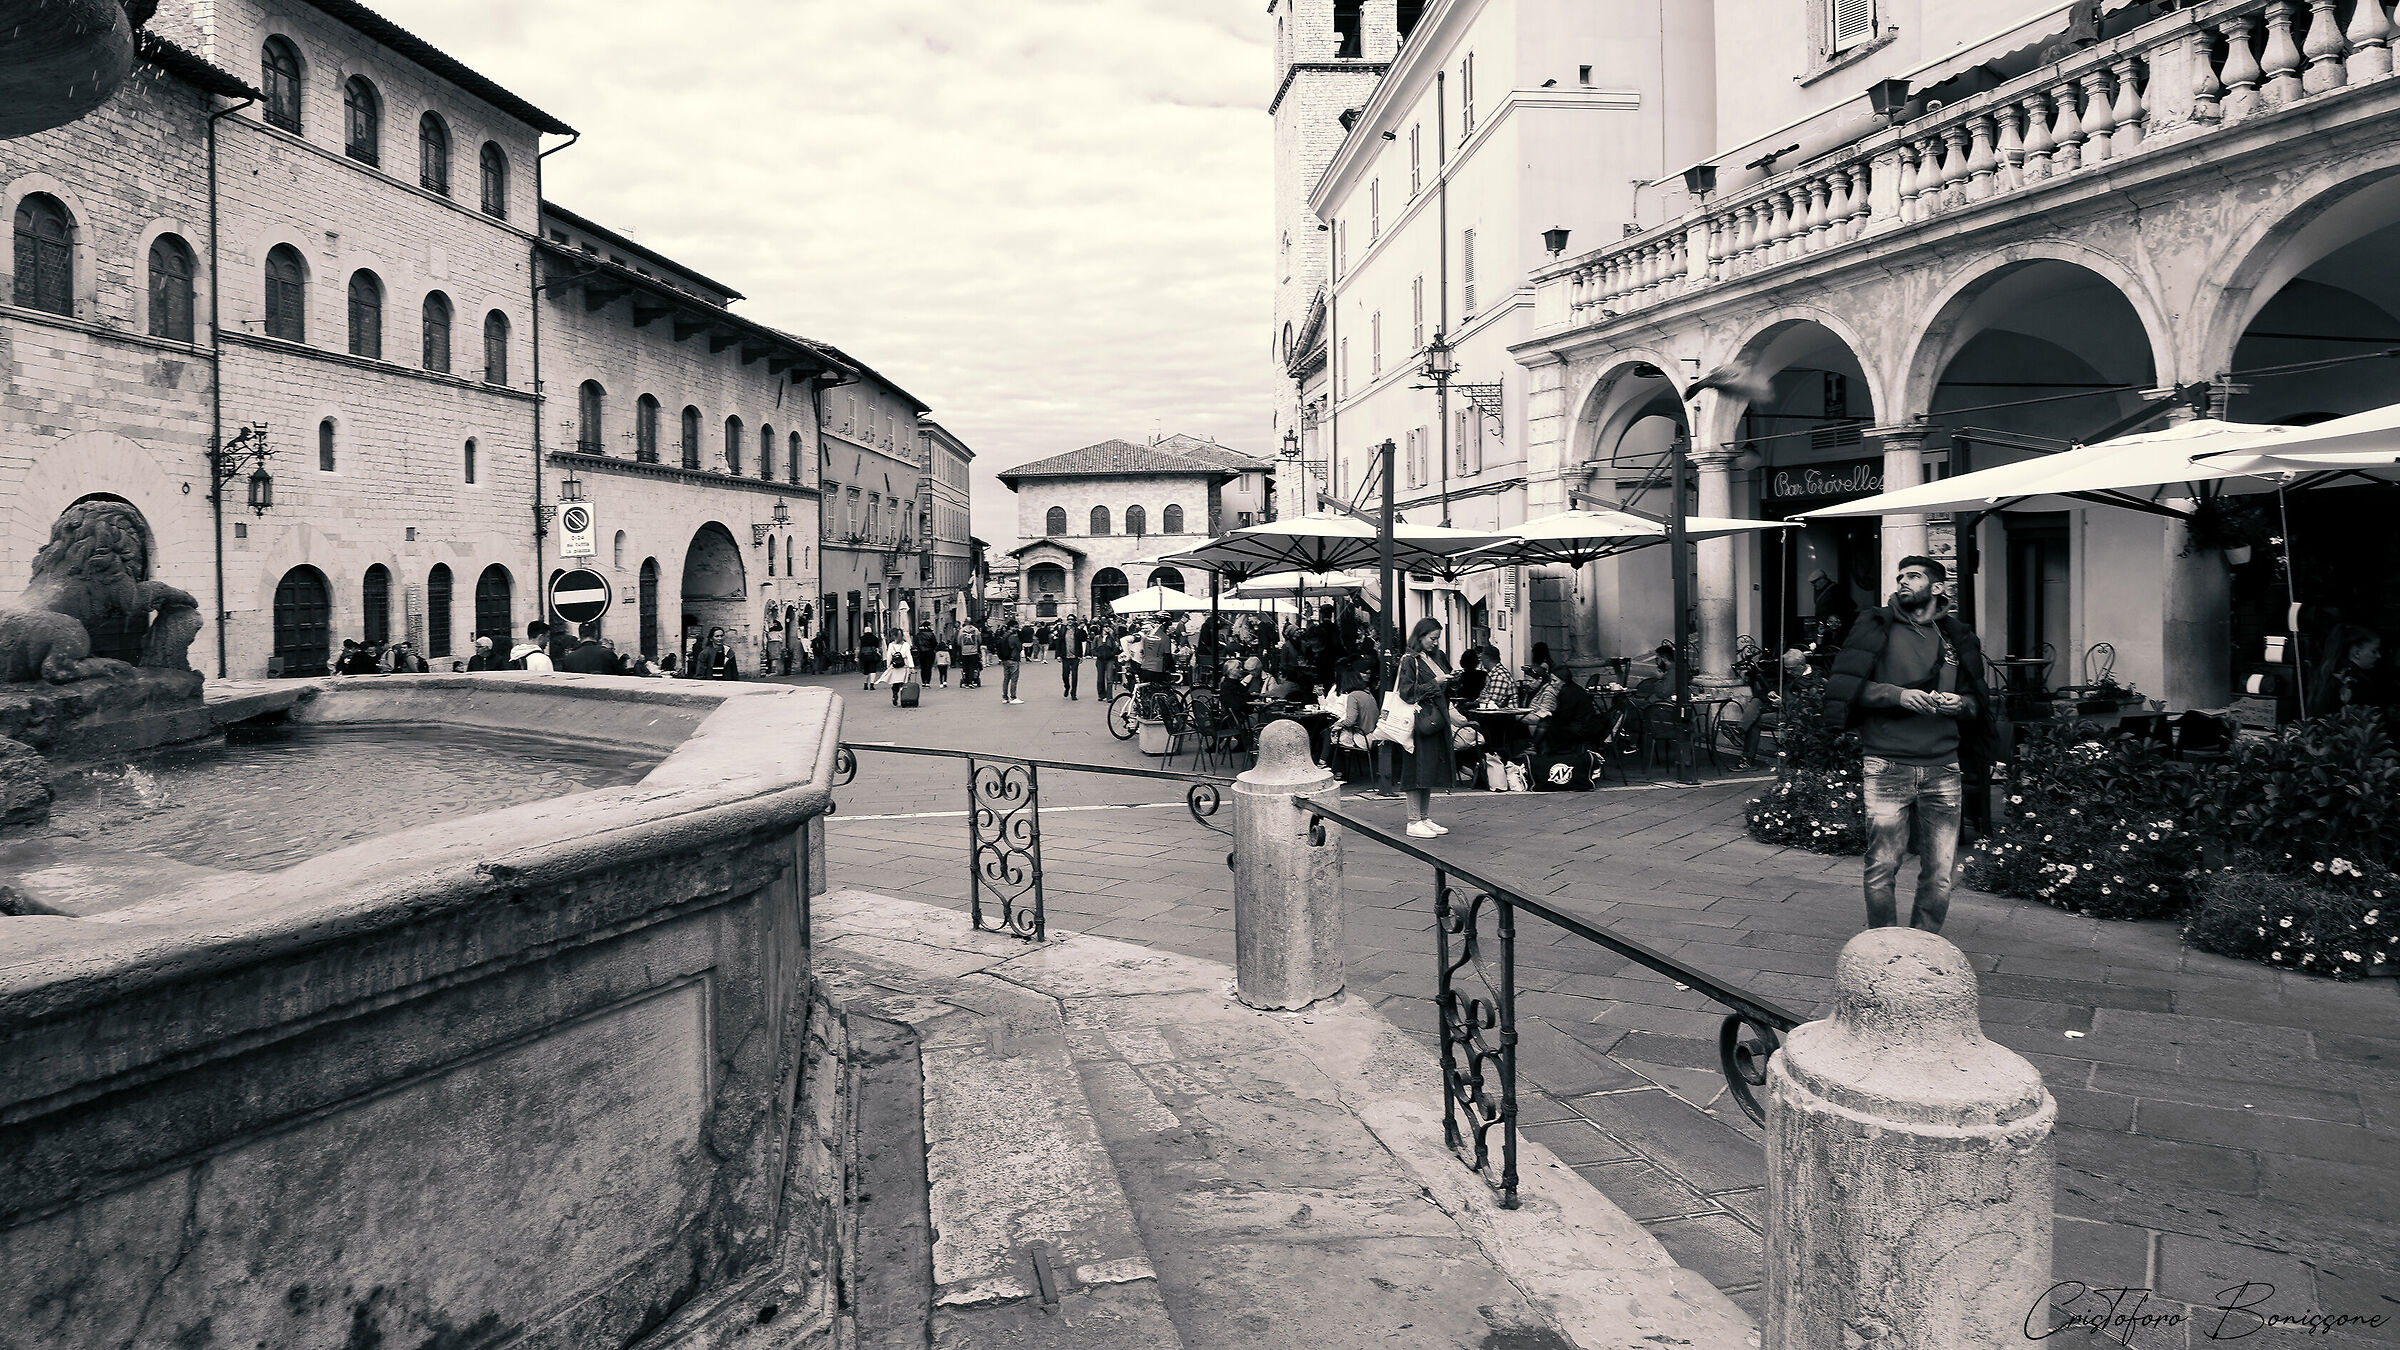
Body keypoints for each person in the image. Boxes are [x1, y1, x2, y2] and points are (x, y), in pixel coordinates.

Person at [1823, 555, 1993, 935]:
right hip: (1886, 764)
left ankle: (1922, 944)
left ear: (1938, 587)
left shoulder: (1956, 636)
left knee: (1940, 873)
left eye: (1913, 576)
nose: (1902, 581)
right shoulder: (1875, 625)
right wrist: (1896, 695)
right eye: (1900, 576)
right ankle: (1884, 946)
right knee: (1882, 866)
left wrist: (1960, 704)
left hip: (1943, 766)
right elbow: (1845, 688)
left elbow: (1976, 701)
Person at [1397, 616, 1457, 837]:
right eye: (1432, 638)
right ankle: (1413, 820)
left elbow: (1442, 682)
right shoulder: (1409, 660)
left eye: (1438, 638)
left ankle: (1423, 817)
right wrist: (1435, 683)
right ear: (1420, 636)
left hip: (1433, 720)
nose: (1435, 642)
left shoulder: (1436, 657)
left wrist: (1452, 679)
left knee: (1428, 768)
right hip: (1419, 721)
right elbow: (1407, 693)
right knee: (1416, 768)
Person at [2311, 625, 2383, 717]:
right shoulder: (2355, 681)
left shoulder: (2330, 672)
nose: (2378, 656)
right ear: (2357, 653)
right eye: (2374, 651)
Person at [993, 620, 1024, 703]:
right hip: (1013, 659)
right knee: (1014, 679)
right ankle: (1013, 697)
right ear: (1011, 627)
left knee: (1006, 679)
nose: (1017, 629)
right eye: (1016, 627)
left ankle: (1005, 697)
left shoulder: (1004, 635)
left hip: (1005, 659)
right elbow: (1019, 647)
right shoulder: (1014, 636)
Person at [1055, 617, 1087, 699]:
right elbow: (1059, 643)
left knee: (1074, 675)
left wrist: (1081, 656)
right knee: (1065, 675)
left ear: (1074, 621)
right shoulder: (1063, 630)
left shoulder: (1077, 630)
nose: (1070, 620)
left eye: (1072, 619)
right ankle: (1067, 687)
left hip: (1075, 656)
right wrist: (1058, 655)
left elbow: (1081, 641)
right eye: (1068, 619)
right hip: (1065, 656)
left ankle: (1073, 693)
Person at [958, 618, 984, 689]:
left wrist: (963, 646)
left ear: (965, 622)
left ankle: (966, 682)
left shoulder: (961, 630)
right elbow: (979, 640)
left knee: (965, 667)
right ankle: (971, 682)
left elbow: (959, 642)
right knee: (972, 667)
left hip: (964, 652)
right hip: (973, 652)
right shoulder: (976, 630)